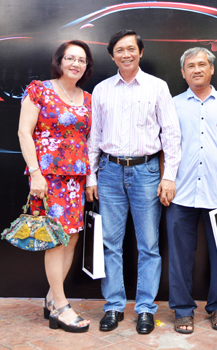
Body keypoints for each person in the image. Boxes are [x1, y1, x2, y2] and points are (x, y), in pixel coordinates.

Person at [85, 30, 181, 335]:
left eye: (131, 49)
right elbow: (94, 137)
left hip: (147, 172)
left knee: (149, 245)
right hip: (109, 172)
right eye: (119, 50)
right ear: (112, 55)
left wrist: (169, 176)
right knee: (110, 243)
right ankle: (113, 305)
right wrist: (91, 176)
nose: (125, 54)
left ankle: (145, 309)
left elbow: (171, 134)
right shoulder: (101, 90)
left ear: (140, 52)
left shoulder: (157, 87)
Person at [167, 47, 217, 334]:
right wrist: (166, 180)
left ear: (211, 69)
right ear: (183, 72)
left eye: (202, 64)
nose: (197, 69)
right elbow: (166, 147)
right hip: (181, 192)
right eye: (190, 66)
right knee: (179, 255)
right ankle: (182, 309)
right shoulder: (173, 105)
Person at [18, 40, 94, 333]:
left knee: (72, 238)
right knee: (56, 238)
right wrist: (35, 173)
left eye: (82, 60)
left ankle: (52, 299)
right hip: (48, 177)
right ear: (59, 61)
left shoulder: (88, 99)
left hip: (76, 178)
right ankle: (62, 307)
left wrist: (89, 179)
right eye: (70, 58)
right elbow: (24, 132)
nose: (76, 64)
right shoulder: (39, 89)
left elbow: (89, 140)